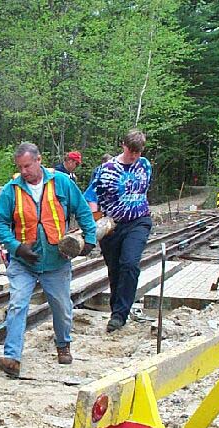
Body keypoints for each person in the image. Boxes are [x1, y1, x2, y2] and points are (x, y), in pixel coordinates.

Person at [0, 142, 96, 376]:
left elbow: (82, 209)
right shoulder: (12, 189)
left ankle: (63, 344)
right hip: (23, 261)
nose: (24, 171)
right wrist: (16, 247)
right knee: (17, 304)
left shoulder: (61, 182)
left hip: (56, 260)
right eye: (20, 167)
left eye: (27, 165)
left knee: (61, 306)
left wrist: (89, 238)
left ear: (39, 160)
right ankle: (12, 357)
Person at [84, 129, 152, 332]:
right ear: (123, 145)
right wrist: (96, 220)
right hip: (111, 226)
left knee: (129, 264)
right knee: (115, 270)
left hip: (138, 221)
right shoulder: (106, 169)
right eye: (131, 151)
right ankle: (116, 312)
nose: (134, 156)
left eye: (138, 152)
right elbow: (91, 196)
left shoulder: (145, 165)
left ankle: (120, 314)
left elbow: (142, 190)